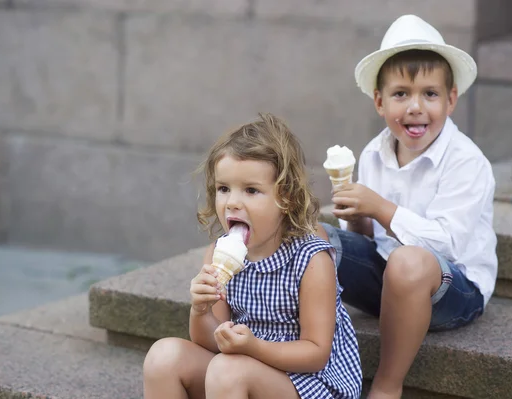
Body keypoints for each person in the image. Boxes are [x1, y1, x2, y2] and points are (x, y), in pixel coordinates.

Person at [317, 14, 498, 399]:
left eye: (429, 94)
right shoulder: (373, 153)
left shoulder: (467, 161)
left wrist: (380, 207)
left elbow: (445, 245)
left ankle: (387, 384)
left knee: (409, 261)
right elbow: (369, 241)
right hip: (388, 275)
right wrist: (361, 218)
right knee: (311, 236)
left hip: (454, 291)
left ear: (451, 100)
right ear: (380, 102)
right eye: (401, 94)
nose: (415, 107)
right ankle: (296, 348)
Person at [143, 113, 362, 399]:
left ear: (286, 198)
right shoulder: (218, 254)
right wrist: (201, 310)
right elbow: (210, 341)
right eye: (224, 189)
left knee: (227, 370)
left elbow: (315, 353)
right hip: (242, 368)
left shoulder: (311, 260)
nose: (233, 202)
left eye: (251, 190)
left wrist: (253, 348)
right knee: (164, 357)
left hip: (311, 383)